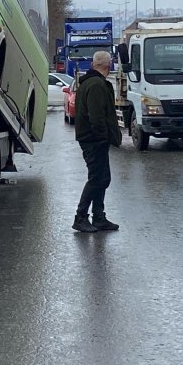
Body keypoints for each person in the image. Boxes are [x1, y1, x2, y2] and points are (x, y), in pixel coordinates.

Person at [73, 50, 122, 233]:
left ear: (94, 64)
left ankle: (99, 217)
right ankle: (81, 217)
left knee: (103, 178)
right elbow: (96, 115)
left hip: (92, 138)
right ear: (108, 66)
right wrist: (103, 136)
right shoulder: (97, 85)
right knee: (96, 178)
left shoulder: (90, 83)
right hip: (94, 140)